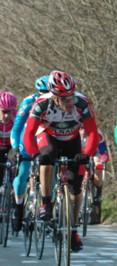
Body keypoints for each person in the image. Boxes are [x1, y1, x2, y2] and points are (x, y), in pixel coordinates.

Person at [23, 70, 99, 252]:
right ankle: (46, 202)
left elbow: (93, 133)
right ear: (54, 97)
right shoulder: (41, 105)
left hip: (72, 140)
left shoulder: (82, 103)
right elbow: (28, 134)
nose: (69, 102)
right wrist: (34, 154)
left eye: (71, 96)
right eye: (64, 99)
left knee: (76, 187)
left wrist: (87, 153)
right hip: (49, 138)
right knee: (46, 157)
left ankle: (73, 230)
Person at [10, 76, 48, 232]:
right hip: (28, 140)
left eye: (47, 92)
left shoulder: (57, 104)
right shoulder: (29, 102)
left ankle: (46, 209)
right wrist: (16, 147)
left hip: (45, 142)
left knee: (49, 176)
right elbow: (17, 127)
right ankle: (19, 206)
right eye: (42, 92)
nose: (44, 95)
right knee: (23, 174)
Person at [79, 128, 109, 224]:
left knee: (98, 165)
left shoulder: (97, 133)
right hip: (80, 154)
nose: (83, 132)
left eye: (85, 129)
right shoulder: (74, 131)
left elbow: (103, 151)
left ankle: (97, 192)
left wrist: (103, 159)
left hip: (94, 153)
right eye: (81, 129)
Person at [0, 91, 17, 188]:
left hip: (11, 146)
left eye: (9, 111)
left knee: (15, 162)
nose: (6, 115)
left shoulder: (17, 118)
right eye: (4, 111)